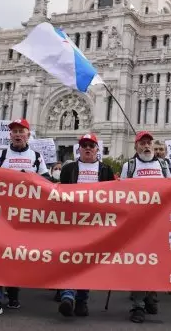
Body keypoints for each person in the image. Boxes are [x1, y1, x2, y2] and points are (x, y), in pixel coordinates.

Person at [0, 118, 49, 319]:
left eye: (21, 131)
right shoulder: (1, 156)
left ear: (28, 134)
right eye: (14, 131)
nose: (18, 134)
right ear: (9, 135)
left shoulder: (36, 157)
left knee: (18, 256)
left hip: (26, 217)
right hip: (1, 215)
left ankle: (13, 292)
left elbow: (48, 183)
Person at [57, 133, 114, 318]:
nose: (88, 148)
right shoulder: (69, 169)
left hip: (95, 225)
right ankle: (68, 295)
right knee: (70, 259)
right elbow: (59, 194)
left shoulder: (106, 170)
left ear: (97, 149)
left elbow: (115, 197)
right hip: (72, 223)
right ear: (79, 149)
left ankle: (81, 299)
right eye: (84, 145)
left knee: (87, 261)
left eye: (91, 145)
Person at [120, 130, 171, 323]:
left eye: (149, 142)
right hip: (137, 224)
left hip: (159, 222)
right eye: (142, 143)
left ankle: (150, 294)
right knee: (140, 262)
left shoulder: (164, 165)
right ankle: (138, 305)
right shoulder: (129, 166)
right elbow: (121, 194)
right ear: (136, 146)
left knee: (156, 261)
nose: (146, 146)